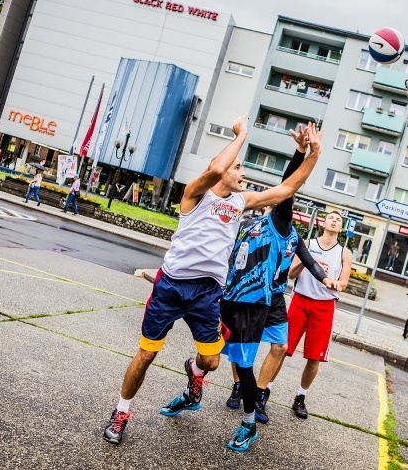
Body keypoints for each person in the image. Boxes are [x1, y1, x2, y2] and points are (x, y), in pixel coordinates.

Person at [103, 117, 323, 446]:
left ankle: (194, 374)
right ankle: (121, 412)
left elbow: (287, 189)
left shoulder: (240, 202)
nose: (243, 173)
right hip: (171, 286)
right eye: (239, 167)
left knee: (211, 362)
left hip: (206, 293)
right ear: (220, 168)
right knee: (146, 355)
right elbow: (217, 171)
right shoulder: (195, 195)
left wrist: (312, 154)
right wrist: (241, 134)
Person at [220, 127, 338, 451]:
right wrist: (302, 153)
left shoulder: (293, 235)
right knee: (240, 349)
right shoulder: (269, 222)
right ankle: (237, 386)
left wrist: (326, 280)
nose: (292, 209)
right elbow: (288, 187)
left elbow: (311, 261)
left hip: (273, 297)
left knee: (279, 347)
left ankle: (257, 394)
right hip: (248, 294)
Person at [269, 210, 352, 419]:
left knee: (314, 357)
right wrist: (310, 262)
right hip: (301, 300)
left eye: (338, 220)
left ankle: (300, 397)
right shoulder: (308, 243)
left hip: (324, 306)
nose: (334, 221)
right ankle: (265, 389)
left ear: (340, 228)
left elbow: (344, 282)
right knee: (282, 348)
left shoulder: (344, 252)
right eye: (331, 218)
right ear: (323, 223)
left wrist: (335, 284)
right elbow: (291, 273)